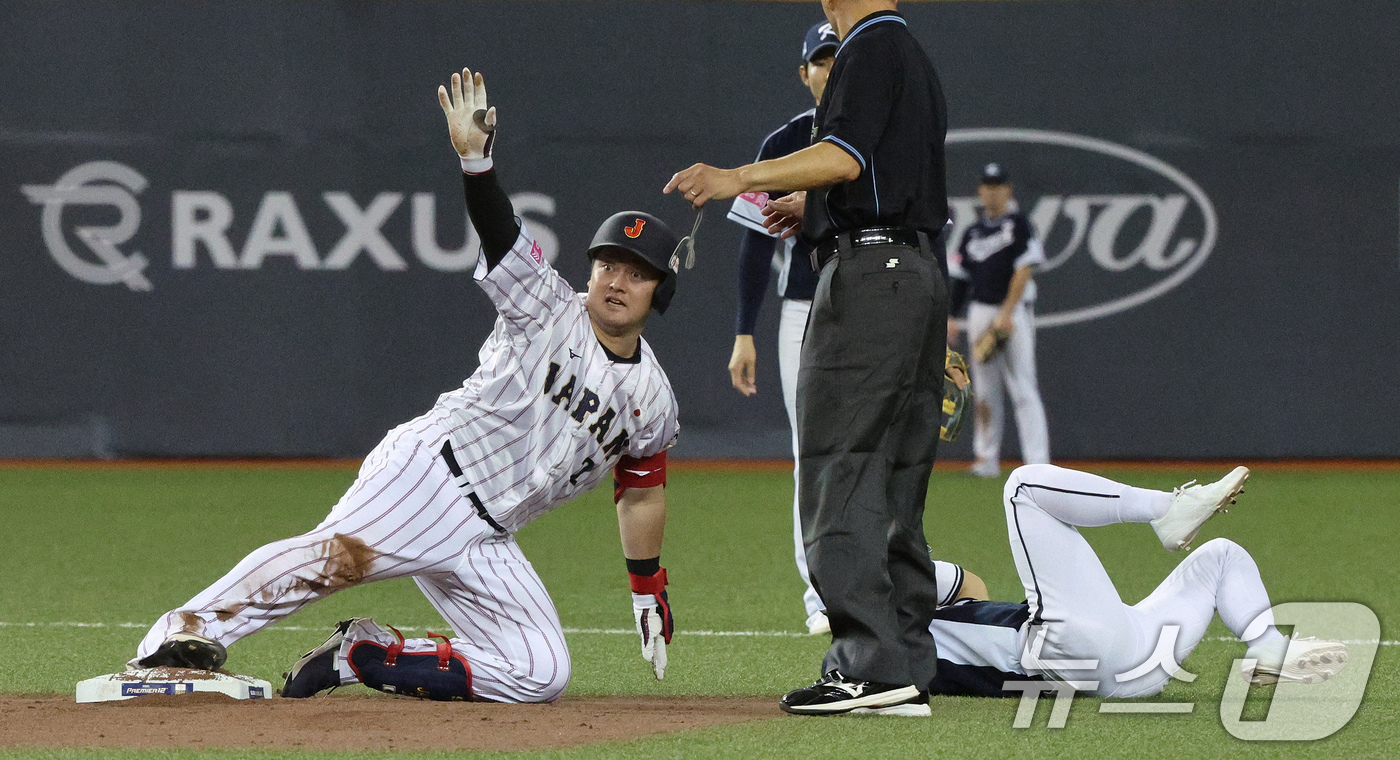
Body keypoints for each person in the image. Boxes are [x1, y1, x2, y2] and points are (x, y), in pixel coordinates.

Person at [129, 67, 684, 703]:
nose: (616, 280)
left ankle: (363, 654)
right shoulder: (547, 307)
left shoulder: (654, 399)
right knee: (332, 561)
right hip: (433, 474)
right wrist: (477, 162)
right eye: (607, 263)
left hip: (488, 534)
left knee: (539, 672)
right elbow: (500, 230)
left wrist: (648, 584)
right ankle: (175, 638)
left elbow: (640, 490)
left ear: (659, 292)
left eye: (636, 273)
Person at [666, 0, 950, 716]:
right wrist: (816, 210)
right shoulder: (909, 53)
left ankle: (869, 666)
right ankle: (907, 660)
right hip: (914, 271)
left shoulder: (867, 47)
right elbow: (881, 173)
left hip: (869, 280)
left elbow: (845, 155)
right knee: (895, 471)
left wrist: (737, 177)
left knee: (840, 462)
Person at [922, 464, 1348, 697]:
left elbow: (969, 585)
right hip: (1057, 653)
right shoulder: (874, 628)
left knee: (1221, 557)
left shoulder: (885, 604)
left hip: (1137, 661)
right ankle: (1166, 508)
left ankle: (1269, 645)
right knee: (1022, 487)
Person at [726, 20, 839, 638]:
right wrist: (745, 330)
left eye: (837, 56)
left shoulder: (878, 135)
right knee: (812, 449)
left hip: (871, 306)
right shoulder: (786, 142)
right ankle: (819, 591)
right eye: (819, 60)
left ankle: (879, 580)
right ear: (804, 73)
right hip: (803, 307)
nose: (828, 67)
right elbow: (751, 244)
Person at [947, 163, 1050, 478]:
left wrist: (1007, 312)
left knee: (1023, 387)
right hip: (980, 310)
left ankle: (1037, 464)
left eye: (998, 185)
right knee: (985, 389)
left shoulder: (1020, 224)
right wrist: (952, 316)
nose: (992, 191)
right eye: (987, 186)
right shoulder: (973, 232)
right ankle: (987, 458)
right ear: (980, 191)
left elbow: (1025, 268)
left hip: (1012, 311)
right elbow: (962, 279)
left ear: (1009, 190)